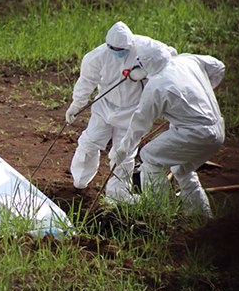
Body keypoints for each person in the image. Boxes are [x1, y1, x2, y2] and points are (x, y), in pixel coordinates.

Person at [65, 21, 178, 204]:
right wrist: (77, 104)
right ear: (108, 45)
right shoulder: (97, 56)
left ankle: (117, 194)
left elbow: (169, 56)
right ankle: (79, 184)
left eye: (122, 49)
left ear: (131, 43)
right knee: (88, 143)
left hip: (132, 111)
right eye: (114, 49)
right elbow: (87, 80)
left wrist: (145, 71)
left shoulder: (145, 46)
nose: (119, 52)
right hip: (104, 107)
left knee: (123, 154)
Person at [114, 47, 225, 218]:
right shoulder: (187, 60)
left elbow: (139, 124)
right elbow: (219, 67)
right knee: (182, 169)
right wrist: (198, 95)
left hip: (195, 134)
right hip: (217, 130)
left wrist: (123, 149)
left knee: (150, 156)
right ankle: (201, 215)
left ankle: (159, 214)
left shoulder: (156, 85)